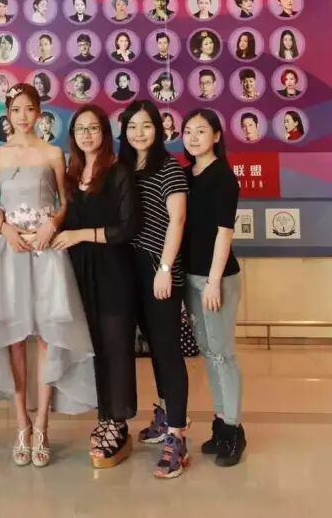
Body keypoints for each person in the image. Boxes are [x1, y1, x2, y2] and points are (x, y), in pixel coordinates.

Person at [0, 84, 96, 471]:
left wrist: (52, 225)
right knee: (14, 337)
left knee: (48, 336)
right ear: (7, 114)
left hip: (46, 252)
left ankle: (43, 424)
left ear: (40, 113)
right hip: (11, 252)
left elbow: (65, 201)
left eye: (30, 109)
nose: (23, 116)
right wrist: (2, 226)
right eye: (16, 109)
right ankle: (21, 424)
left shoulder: (52, 154)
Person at [52, 106, 140, 468]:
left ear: (105, 132)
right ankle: (104, 418)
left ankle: (117, 422)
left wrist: (81, 235)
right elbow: (60, 220)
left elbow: (128, 227)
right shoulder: (70, 176)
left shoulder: (119, 172)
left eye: (93, 128)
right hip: (78, 275)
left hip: (113, 272)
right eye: (80, 129)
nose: (87, 135)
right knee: (95, 350)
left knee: (116, 348)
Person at [120, 100, 189, 478]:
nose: (139, 133)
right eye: (132, 126)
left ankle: (177, 435)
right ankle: (165, 415)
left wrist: (164, 268)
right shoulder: (125, 167)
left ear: (158, 130)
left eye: (146, 126)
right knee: (153, 349)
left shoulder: (169, 168)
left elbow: (177, 220)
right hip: (130, 268)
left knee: (167, 351)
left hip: (159, 269)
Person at [181, 109, 246, 466]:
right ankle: (220, 424)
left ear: (217, 136)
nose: (193, 137)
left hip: (217, 279)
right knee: (208, 352)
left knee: (223, 353)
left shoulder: (223, 177)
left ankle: (234, 430)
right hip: (191, 278)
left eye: (201, 131)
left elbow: (224, 233)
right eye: (188, 131)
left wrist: (213, 281)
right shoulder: (185, 175)